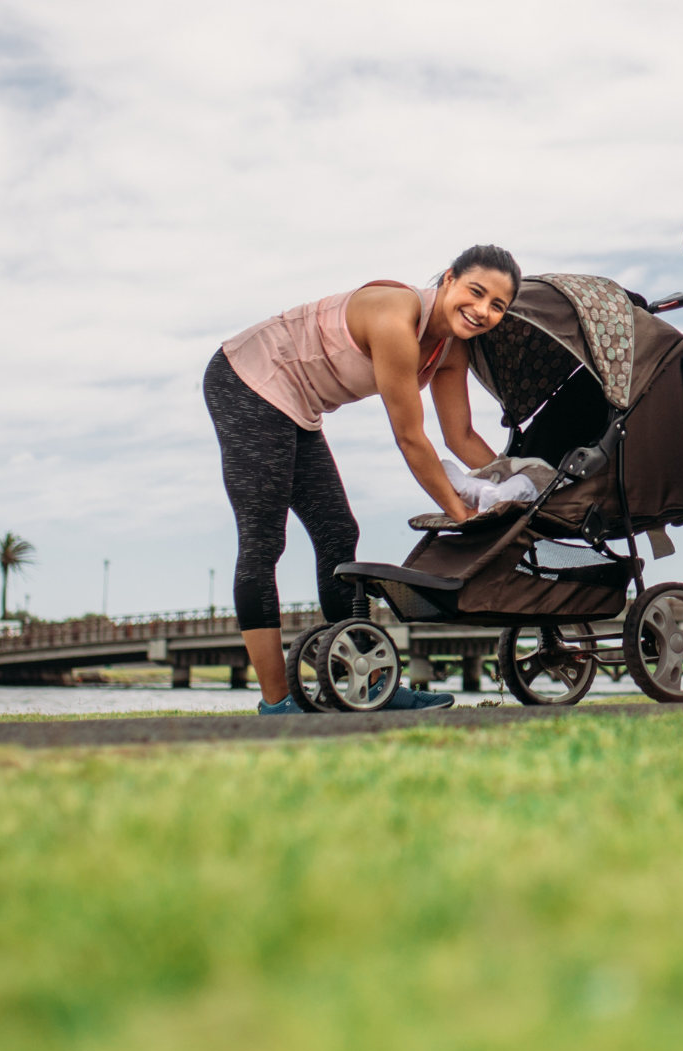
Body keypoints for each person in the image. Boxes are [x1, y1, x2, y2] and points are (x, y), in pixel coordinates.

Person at [204, 245, 521, 714]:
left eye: (498, 306)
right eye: (476, 293)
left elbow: (461, 436)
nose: (482, 311)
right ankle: (277, 703)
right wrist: (463, 515)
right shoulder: (397, 320)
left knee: (339, 532)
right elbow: (411, 438)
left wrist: (523, 482)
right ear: (449, 279)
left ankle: (372, 690)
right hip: (248, 379)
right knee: (263, 540)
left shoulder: (452, 348)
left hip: (299, 405)